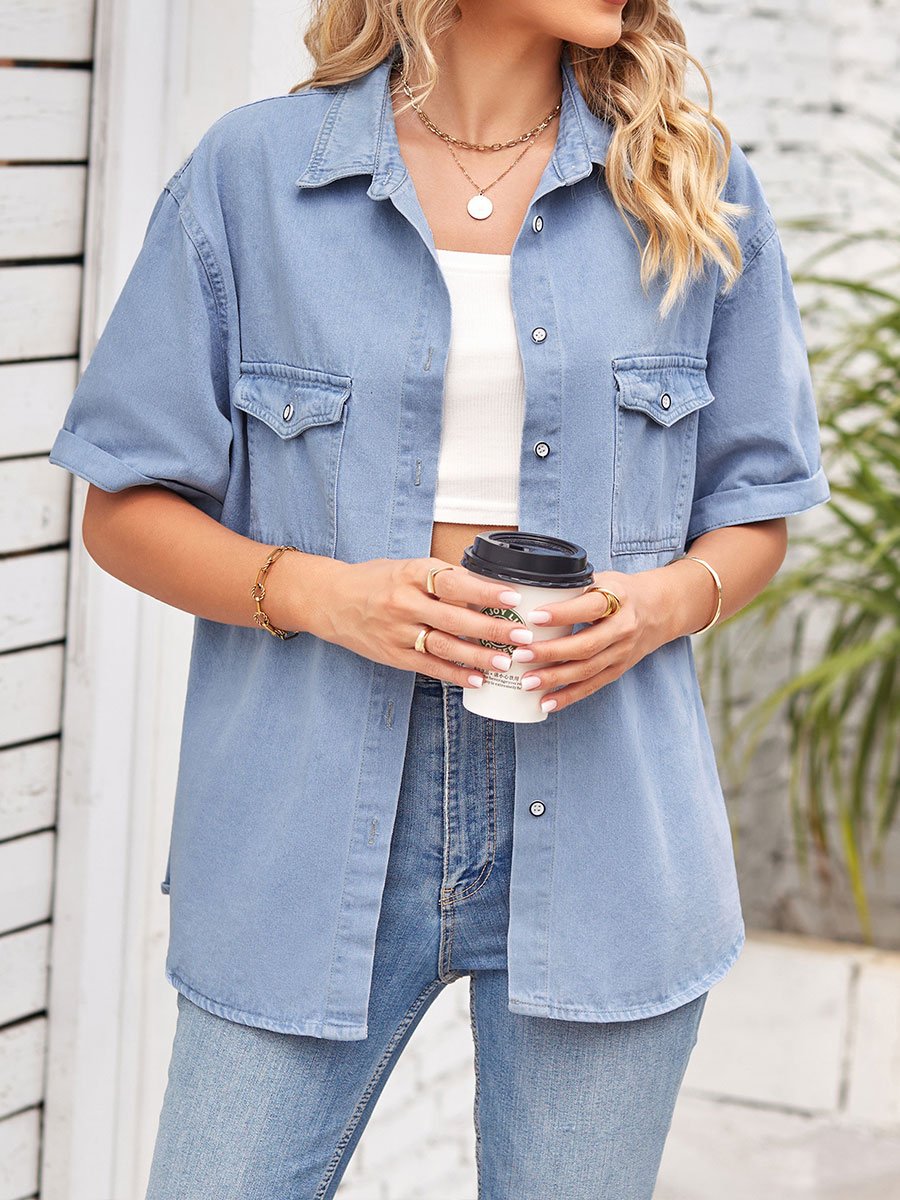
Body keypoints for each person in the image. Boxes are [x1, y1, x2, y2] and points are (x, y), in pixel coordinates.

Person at [47, 1, 831, 1196]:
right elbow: (122, 509)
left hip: (610, 818)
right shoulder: (254, 178)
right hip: (302, 816)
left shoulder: (688, 182)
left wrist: (661, 606)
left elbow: (757, 510)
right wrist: (321, 595)